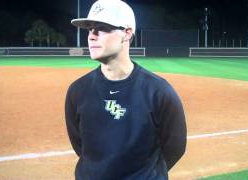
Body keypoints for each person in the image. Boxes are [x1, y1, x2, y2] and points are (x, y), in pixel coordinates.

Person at [65, 0, 187, 179]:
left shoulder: (159, 92)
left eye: (103, 27)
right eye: (90, 28)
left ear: (127, 33)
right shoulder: (77, 91)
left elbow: (175, 147)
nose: (92, 35)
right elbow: (81, 147)